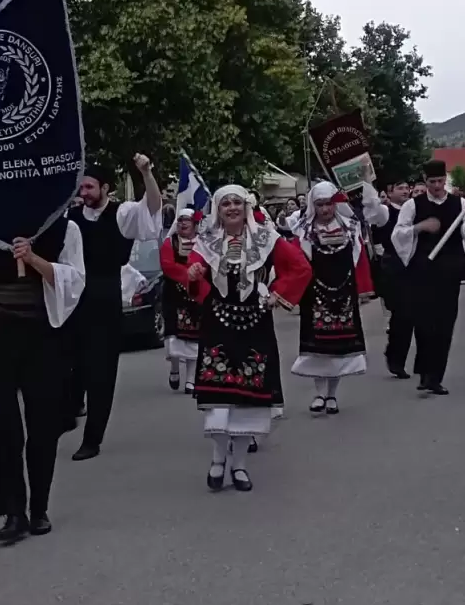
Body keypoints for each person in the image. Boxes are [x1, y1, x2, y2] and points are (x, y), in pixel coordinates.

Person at [187, 185, 311, 492]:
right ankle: (218, 459)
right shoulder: (205, 241)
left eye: (236, 202)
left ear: (246, 206)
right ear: (217, 209)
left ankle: (239, 466)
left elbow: (300, 268)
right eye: (225, 203)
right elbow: (195, 279)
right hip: (218, 324)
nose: (231, 207)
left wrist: (277, 294)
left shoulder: (267, 237)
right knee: (218, 397)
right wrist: (194, 275)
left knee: (248, 401)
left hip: (255, 324)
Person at [0, 216, 85, 544]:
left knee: (42, 423)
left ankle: (39, 507)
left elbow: (74, 280)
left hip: (43, 335)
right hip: (1, 331)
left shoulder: (64, 228)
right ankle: (13, 511)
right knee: (3, 423)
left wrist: (33, 259)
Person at [66, 154, 162, 461]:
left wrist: (146, 173)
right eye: (81, 187)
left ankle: (92, 438)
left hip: (106, 295)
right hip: (75, 297)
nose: (84, 193)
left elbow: (153, 209)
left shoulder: (123, 213)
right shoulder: (72, 218)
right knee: (69, 361)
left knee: (101, 372)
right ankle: (70, 408)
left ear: (105, 188)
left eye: (90, 187)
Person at [291, 181, 387, 413]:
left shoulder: (351, 227)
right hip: (315, 296)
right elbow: (296, 262)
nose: (325, 209)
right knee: (318, 349)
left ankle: (332, 395)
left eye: (329, 204)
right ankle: (318, 394)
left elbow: (376, 223)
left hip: (343, 294)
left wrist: (368, 189)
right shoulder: (303, 230)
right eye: (320, 204)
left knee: (339, 349)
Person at [392, 160, 465, 394]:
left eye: (441, 181)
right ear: (425, 180)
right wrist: (420, 227)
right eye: (432, 182)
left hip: (449, 271)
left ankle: (435, 377)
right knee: (423, 323)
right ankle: (424, 372)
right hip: (422, 269)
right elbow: (398, 234)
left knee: (444, 324)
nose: (437, 186)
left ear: (445, 179)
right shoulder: (413, 205)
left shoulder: (459, 204)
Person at [373, 178, 414, 378]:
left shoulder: (414, 210)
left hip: (414, 266)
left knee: (415, 316)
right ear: (389, 193)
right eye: (400, 188)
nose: (405, 191)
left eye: (407, 188)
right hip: (394, 267)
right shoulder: (386, 211)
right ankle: (396, 359)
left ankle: (416, 360)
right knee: (401, 315)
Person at [161, 207, 202, 392]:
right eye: (180, 220)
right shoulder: (170, 243)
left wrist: (197, 274)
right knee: (174, 337)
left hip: (195, 296)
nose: (183, 223)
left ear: (195, 224)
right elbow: (167, 266)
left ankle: (191, 380)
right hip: (174, 295)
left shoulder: (202, 243)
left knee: (194, 339)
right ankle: (175, 368)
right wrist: (187, 274)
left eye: (186, 220)